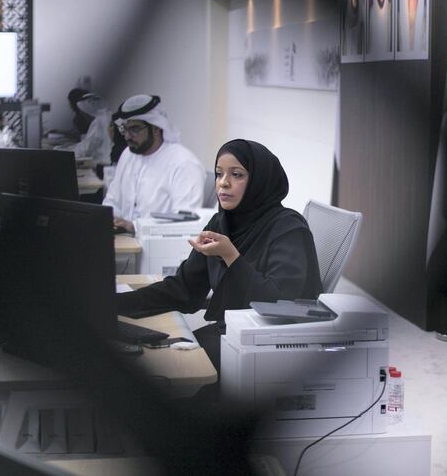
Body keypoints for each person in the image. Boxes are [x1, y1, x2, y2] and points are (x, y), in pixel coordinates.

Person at [116, 139, 322, 369]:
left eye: (237, 174)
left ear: (259, 180)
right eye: (218, 174)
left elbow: (278, 304)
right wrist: (114, 304)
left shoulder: (288, 229)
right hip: (232, 333)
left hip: (271, 345)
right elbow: (184, 288)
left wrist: (231, 257)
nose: (223, 183)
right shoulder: (222, 222)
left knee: (169, 370)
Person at [104, 94, 204, 234]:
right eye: (125, 129)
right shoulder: (128, 155)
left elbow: (185, 221)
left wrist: (135, 226)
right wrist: (110, 219)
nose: (127, 136)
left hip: (159, 249)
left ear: (156, 128)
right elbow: (112, 201)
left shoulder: (183, 163)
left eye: (134, 129)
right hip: (124, 241)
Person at [57, 88, 111, 166]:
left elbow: (86, 148)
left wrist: (62, 151)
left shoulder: (99, 123)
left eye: (82, 112)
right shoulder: (106, 116)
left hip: (102, 164)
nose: (83, 115)